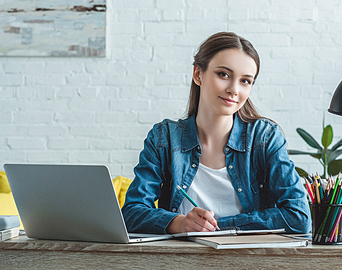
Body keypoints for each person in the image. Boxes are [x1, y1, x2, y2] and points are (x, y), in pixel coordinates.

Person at [122, 32, 310, 234]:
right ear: (198, 74)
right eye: (224, 74)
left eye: (245, 81)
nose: (234, 89)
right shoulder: (164, 137)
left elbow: (298, 217)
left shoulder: (264, 137)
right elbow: (132, 212)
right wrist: (180, 223)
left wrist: (220, 226)